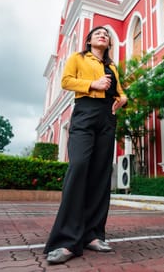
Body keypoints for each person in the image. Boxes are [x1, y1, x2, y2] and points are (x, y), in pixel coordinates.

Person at [44, 26, 127, 264]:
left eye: (106, 34)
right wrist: (93, 84)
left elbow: (120, 92)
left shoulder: (112, 67)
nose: (103, 35)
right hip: (85, 112)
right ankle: (66, 240)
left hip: (107, 118)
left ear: (109, 43)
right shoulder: (78, 58)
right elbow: (66, 81)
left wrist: (122, 99)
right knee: (78, 166)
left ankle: (92, 235)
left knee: (101, 175)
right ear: (89, 40)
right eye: (98, 33)